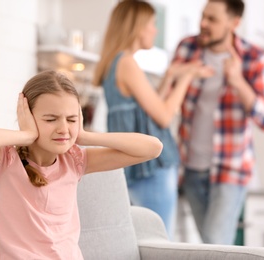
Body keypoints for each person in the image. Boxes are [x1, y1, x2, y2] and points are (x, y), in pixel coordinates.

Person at [0, 70, 163, 259]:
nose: (63, 128)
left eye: (71, 119)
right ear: (27, 117)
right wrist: (26, 134)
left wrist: (85, 136)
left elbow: (153, 148)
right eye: (51, 119)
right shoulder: (5, 161)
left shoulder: (74, 161)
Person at [92, 0, 213, 239]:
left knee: (139, 239)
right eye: (152, 23)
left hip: (133, 168)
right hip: (152, 167)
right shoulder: (127, 63)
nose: (154, 30)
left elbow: (145, 110)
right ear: (137, 26)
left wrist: (169, 77)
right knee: (159, 242)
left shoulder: (114, 62)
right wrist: (187, 77)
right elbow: (164, 116)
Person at [172, 0, 264, 244]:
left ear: (234, 23)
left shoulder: (254, 57)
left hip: (231, 168)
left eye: (213, 19)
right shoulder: (187, 49)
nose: (203, 24)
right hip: (191, 167)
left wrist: (238, 81)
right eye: (203, 16)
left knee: (214, 241)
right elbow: (167, 101)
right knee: (211, 246)